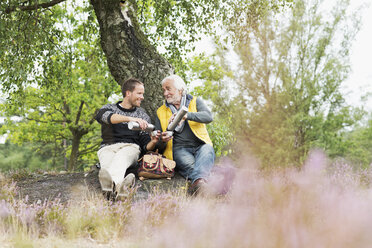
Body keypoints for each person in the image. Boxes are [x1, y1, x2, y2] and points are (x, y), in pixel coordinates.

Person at [95, 78, 160, 200]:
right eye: (139, 93)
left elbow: (146, 146)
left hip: (130, 148)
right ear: (128, 93)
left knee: (120, 158)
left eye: (143, 94)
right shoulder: (109, 108)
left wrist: (154, 141)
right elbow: (106, 117)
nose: (142, 97)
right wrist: (130, 119)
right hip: (107, 148)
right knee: (106, 169)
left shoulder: (142, 115)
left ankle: (111, 188)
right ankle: (120, 190)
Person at [155, 75, 215, 195]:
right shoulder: (160, 111)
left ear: (180, 90)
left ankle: (198, 185)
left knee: (208, 149)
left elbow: (208, 117)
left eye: (168, 89)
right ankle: (202, 184)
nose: (165, 93)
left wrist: (186, 115)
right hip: (179, 149)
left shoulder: (194, 101)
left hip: (201, 145)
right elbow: (159, 143)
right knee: (196, 169)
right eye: (164, 90)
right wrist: (163, 139)